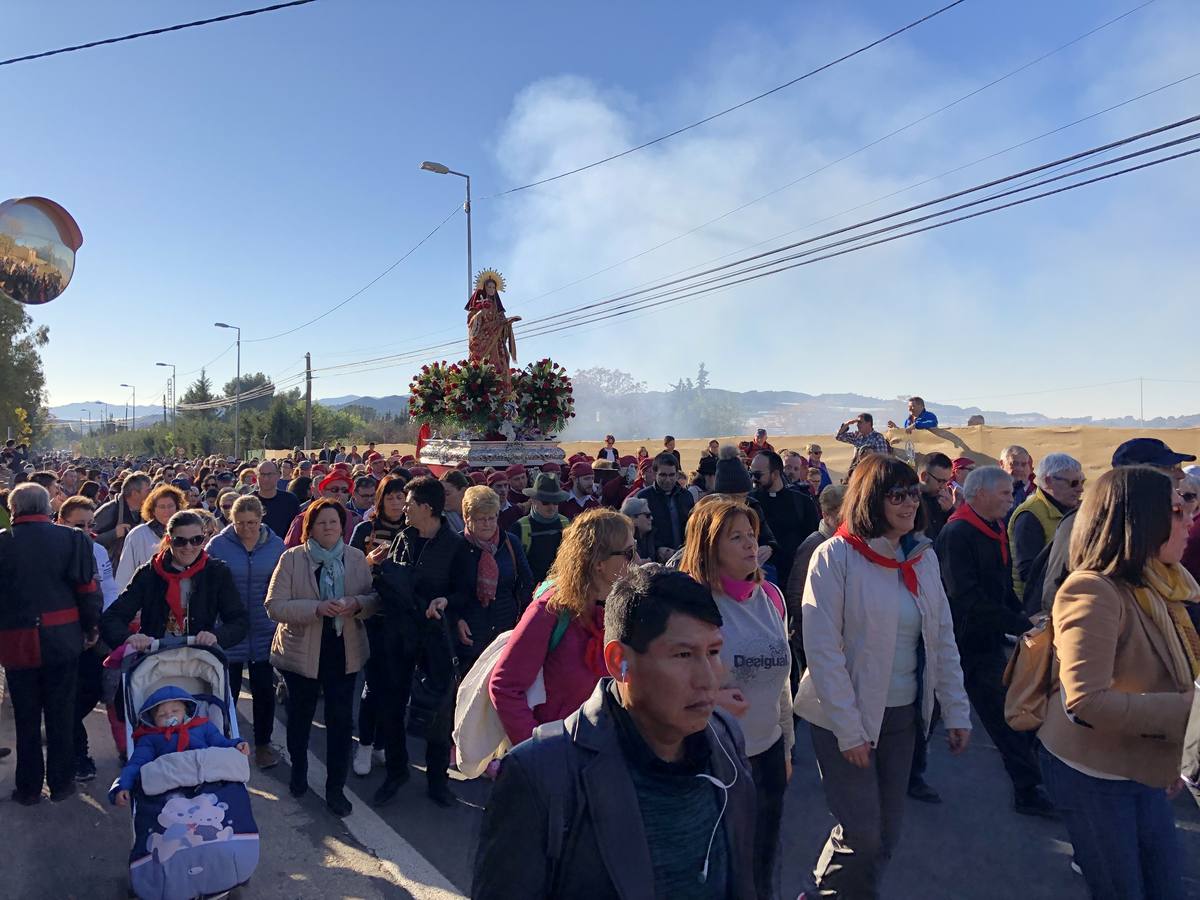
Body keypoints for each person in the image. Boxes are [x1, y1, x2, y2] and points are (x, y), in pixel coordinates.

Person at [473, 565, 757, 900]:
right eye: (683, 655)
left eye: (713, 652)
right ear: (619, 661)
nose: (709, 678)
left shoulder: (725, 741)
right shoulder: (540, 776)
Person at [795, 455, 971, 898]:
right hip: (842, 718)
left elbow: (942, 639)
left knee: (887, 835)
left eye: (913, 492)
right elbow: (823, 651)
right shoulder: (834, 557)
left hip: (902, 718)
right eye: (897, 494)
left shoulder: (921, 558)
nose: (910, 502)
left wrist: (956, 711)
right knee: (863, 832)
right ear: (872, 499)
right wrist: (849, 730)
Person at [1039, 466, 1196, 899]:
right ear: (1142, 518)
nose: (1189, 520)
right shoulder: (1093, 591)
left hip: (1142, 768)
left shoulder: (1165, 585)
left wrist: (1176, 753)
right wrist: (1190, 711)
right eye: (1178, 509)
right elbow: (1086, 703)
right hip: (1094, 775)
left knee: (1165, 888)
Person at [679, 499, 793, 899]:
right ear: (710, 547)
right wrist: (710, 695)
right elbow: (663, 684)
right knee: (718, 866)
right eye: (736, 537)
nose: (750, 545)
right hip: (712, 758)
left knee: (762, 863)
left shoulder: (771, 597)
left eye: (752, 535)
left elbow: (782, 683)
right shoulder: (691, 606)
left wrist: (787, 746)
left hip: (767, 754)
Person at [937, 466, 1053, 817]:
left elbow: (1000, 588)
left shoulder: (992, 527)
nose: (1011, 498)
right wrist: (1018, 623)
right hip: (961, 642)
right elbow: (965, 597)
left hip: (985, 639)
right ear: (981, 494)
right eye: (1005, 492)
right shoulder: (957, 534)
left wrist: (1024, 618)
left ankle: (1028, 788)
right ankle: (1029, 789)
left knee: (1007, 714)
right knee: (995, 715)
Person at [266, 498, 378, 817]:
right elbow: (274, 606)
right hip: (302, 653)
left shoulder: (356, 558)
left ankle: (335, 788)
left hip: (344, 652)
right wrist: (315, 608)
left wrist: (355, 603)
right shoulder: (292, 559)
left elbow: (373, 601)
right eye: (321, 522)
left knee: (341, 722)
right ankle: (299, 769)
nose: (329, 527)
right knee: (300, 718)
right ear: (309, 528)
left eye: (334, 522)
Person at [490, 508, 634, 748]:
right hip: (559, 758)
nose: (637, 561)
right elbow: (505, 687)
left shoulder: (618, 606)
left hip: (603, 754)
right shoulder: (549, 611)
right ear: (599, 563)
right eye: (629, 553)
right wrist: (539, 751)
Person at [373, 477, 473, 808]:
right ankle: (397, 772)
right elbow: (393, 580)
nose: (404, 508)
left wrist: (445, 601)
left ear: (427, 509)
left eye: (410, 503)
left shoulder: (455, 546)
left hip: (435, 641)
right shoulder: (404, 538)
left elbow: (464, 591)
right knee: (391, 705)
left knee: (438, 711)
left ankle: (437, 781)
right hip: (399, 637)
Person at [0, 483, 103, 805]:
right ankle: (61, 784)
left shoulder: (3, 543)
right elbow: (88, 592)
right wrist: (90, 628)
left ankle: (28, 789)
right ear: (48, 508)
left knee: (27, 718)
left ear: (13, 509)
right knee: (61, 714)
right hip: (63, 639)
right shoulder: (73, 540)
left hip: (16, 644)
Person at [205, 495, 286, 769]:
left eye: (252, 522)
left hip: (265, 629)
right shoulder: (217, 546)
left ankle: (263, 745)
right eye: (241, 523)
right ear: (232, 520)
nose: (247, 528)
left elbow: (283, 584)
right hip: (229, 630)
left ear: (261, 518)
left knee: (264, 691)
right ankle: (226, 743)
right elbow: (206, 587)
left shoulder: (276, 546)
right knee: (228, 692)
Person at [102, 509, 248, 660]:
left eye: (196, 540)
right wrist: (130, 638)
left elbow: (239, 621)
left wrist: (216, 636)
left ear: (204, 539)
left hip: (200, 661)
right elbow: (112, 618)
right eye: (180, 541)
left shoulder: (216, 572)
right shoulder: (150, 573)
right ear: (168, 540)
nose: (189, 547)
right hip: (155, 661)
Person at [348, 474, 408, 776]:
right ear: (380, 499)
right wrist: (369, 563)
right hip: (371, 617)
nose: (397, 503)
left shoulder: (414, 529)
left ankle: (384, 743)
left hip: (402, 618)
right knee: (373, 685)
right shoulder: (364, 529)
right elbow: (348, 570)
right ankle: (366, 744)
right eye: (391, 497)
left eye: (401, 497)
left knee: (397, 686)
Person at [58, 496, 118, 782]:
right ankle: (77, 755)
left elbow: (109, 589)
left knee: (91, 692)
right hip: (62, 635)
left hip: (95, 633)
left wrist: (102, 625)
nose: (84, 530)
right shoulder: (52, 552)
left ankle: (67, 740)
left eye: (89, 524)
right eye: (77, 525)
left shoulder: (97, 550)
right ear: (61, 522)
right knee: (66, 697)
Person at [110, 687, 250, 806]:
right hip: (171, 782)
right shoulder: (149, 738)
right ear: (152, 719)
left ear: (185, 710)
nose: (169, 716)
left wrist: (237, 744)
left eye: (175, 711)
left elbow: (221, 743)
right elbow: (136, 763)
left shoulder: (202, 726)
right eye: (162, 715)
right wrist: (123, 785)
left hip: (205, 776)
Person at [451, 485, 534, 673]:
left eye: (492, 517)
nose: (488, 524)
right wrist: (456, 620)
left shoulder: (510, 543)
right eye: (481, 519)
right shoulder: (456, 547)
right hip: (471, 635)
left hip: (506, 630)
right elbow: (445, 589)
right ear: (467, 518)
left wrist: (521, 618)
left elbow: (526, 581)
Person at [784, 485, 846, 671]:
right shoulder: (814, 544)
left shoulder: (845, 544)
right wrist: (806, 633)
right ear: (827, 515)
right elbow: (796, 593)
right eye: (840, 514)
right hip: (812, 639)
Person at [1008, 452, 1084, 603]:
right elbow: (1029, 572)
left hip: (1060, 599)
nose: (1080, 489)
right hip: (1037, 606)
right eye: (1074, 483)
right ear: (1049, 481)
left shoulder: (1071, 509)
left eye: (1083, 482)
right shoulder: (1029, 515)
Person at [749, 450, 818, 592]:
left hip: (794, 582)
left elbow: (813, 542)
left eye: (758, 475)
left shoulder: (802, 502)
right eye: (751, 473)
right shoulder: (749, 503)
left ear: (775, 474)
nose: (753, 479)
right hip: (758, 582)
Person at [115, 484, 185, 591]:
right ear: (153, 510)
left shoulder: (186, 533)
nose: (167, 511)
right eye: (162, 507)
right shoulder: (138, 535)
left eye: (170, 506)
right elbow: (125, 575)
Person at [511, 473, 571, 588]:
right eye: (546, 502)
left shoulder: (566, 524)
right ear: (533, 500)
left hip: (561, 590)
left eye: (555, 502)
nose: (551, 507)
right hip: (531, 595)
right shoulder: (520, 527)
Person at [638, 451, 696, 564]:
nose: (668, 480)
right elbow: (639, 534)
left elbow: (691, 527)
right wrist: (656, 548)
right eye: (663, 475)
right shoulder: (644, 498)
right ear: (655, 474)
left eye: (671, 475)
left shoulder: (686, 496)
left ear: (677, 474)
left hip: (684, 559)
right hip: (655, 562)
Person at [93, 471, 151, 567]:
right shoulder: (110, 510)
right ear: (135, 493)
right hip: (112, 570)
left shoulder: (148, 512)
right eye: (148, 491)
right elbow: (88, 541)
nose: (151, 493)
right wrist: (114, 534)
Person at [254, 459, 300, 539]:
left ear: (278, 475)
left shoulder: (290, 500)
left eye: (270, 474)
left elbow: (297, 529)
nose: (266, 479)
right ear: (256, 477)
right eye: (262, 474)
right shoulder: (247, 502)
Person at [918, 452, 955, 540]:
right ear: (924, 477)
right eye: (940, 481)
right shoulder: (908, 502)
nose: (943, 486)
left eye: (946, 482)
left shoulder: (941, 500)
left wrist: (950, 510)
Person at [999, 445, 1035, 515]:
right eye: (1014, 464)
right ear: (1002, 464)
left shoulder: (1036, 493)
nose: (1019, 469)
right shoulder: (990, 492)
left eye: (1023, 464)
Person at [621, 496, 655, 561]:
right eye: (647, 515)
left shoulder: (651, 536)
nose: (651, 518)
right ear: (632, 518)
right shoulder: (624, 542)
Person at [440, 469, 471, 533]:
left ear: (463, 491)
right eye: (440, 494)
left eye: (447, 494)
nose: (442, 498)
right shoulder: (439, 519)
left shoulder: (478, 513)